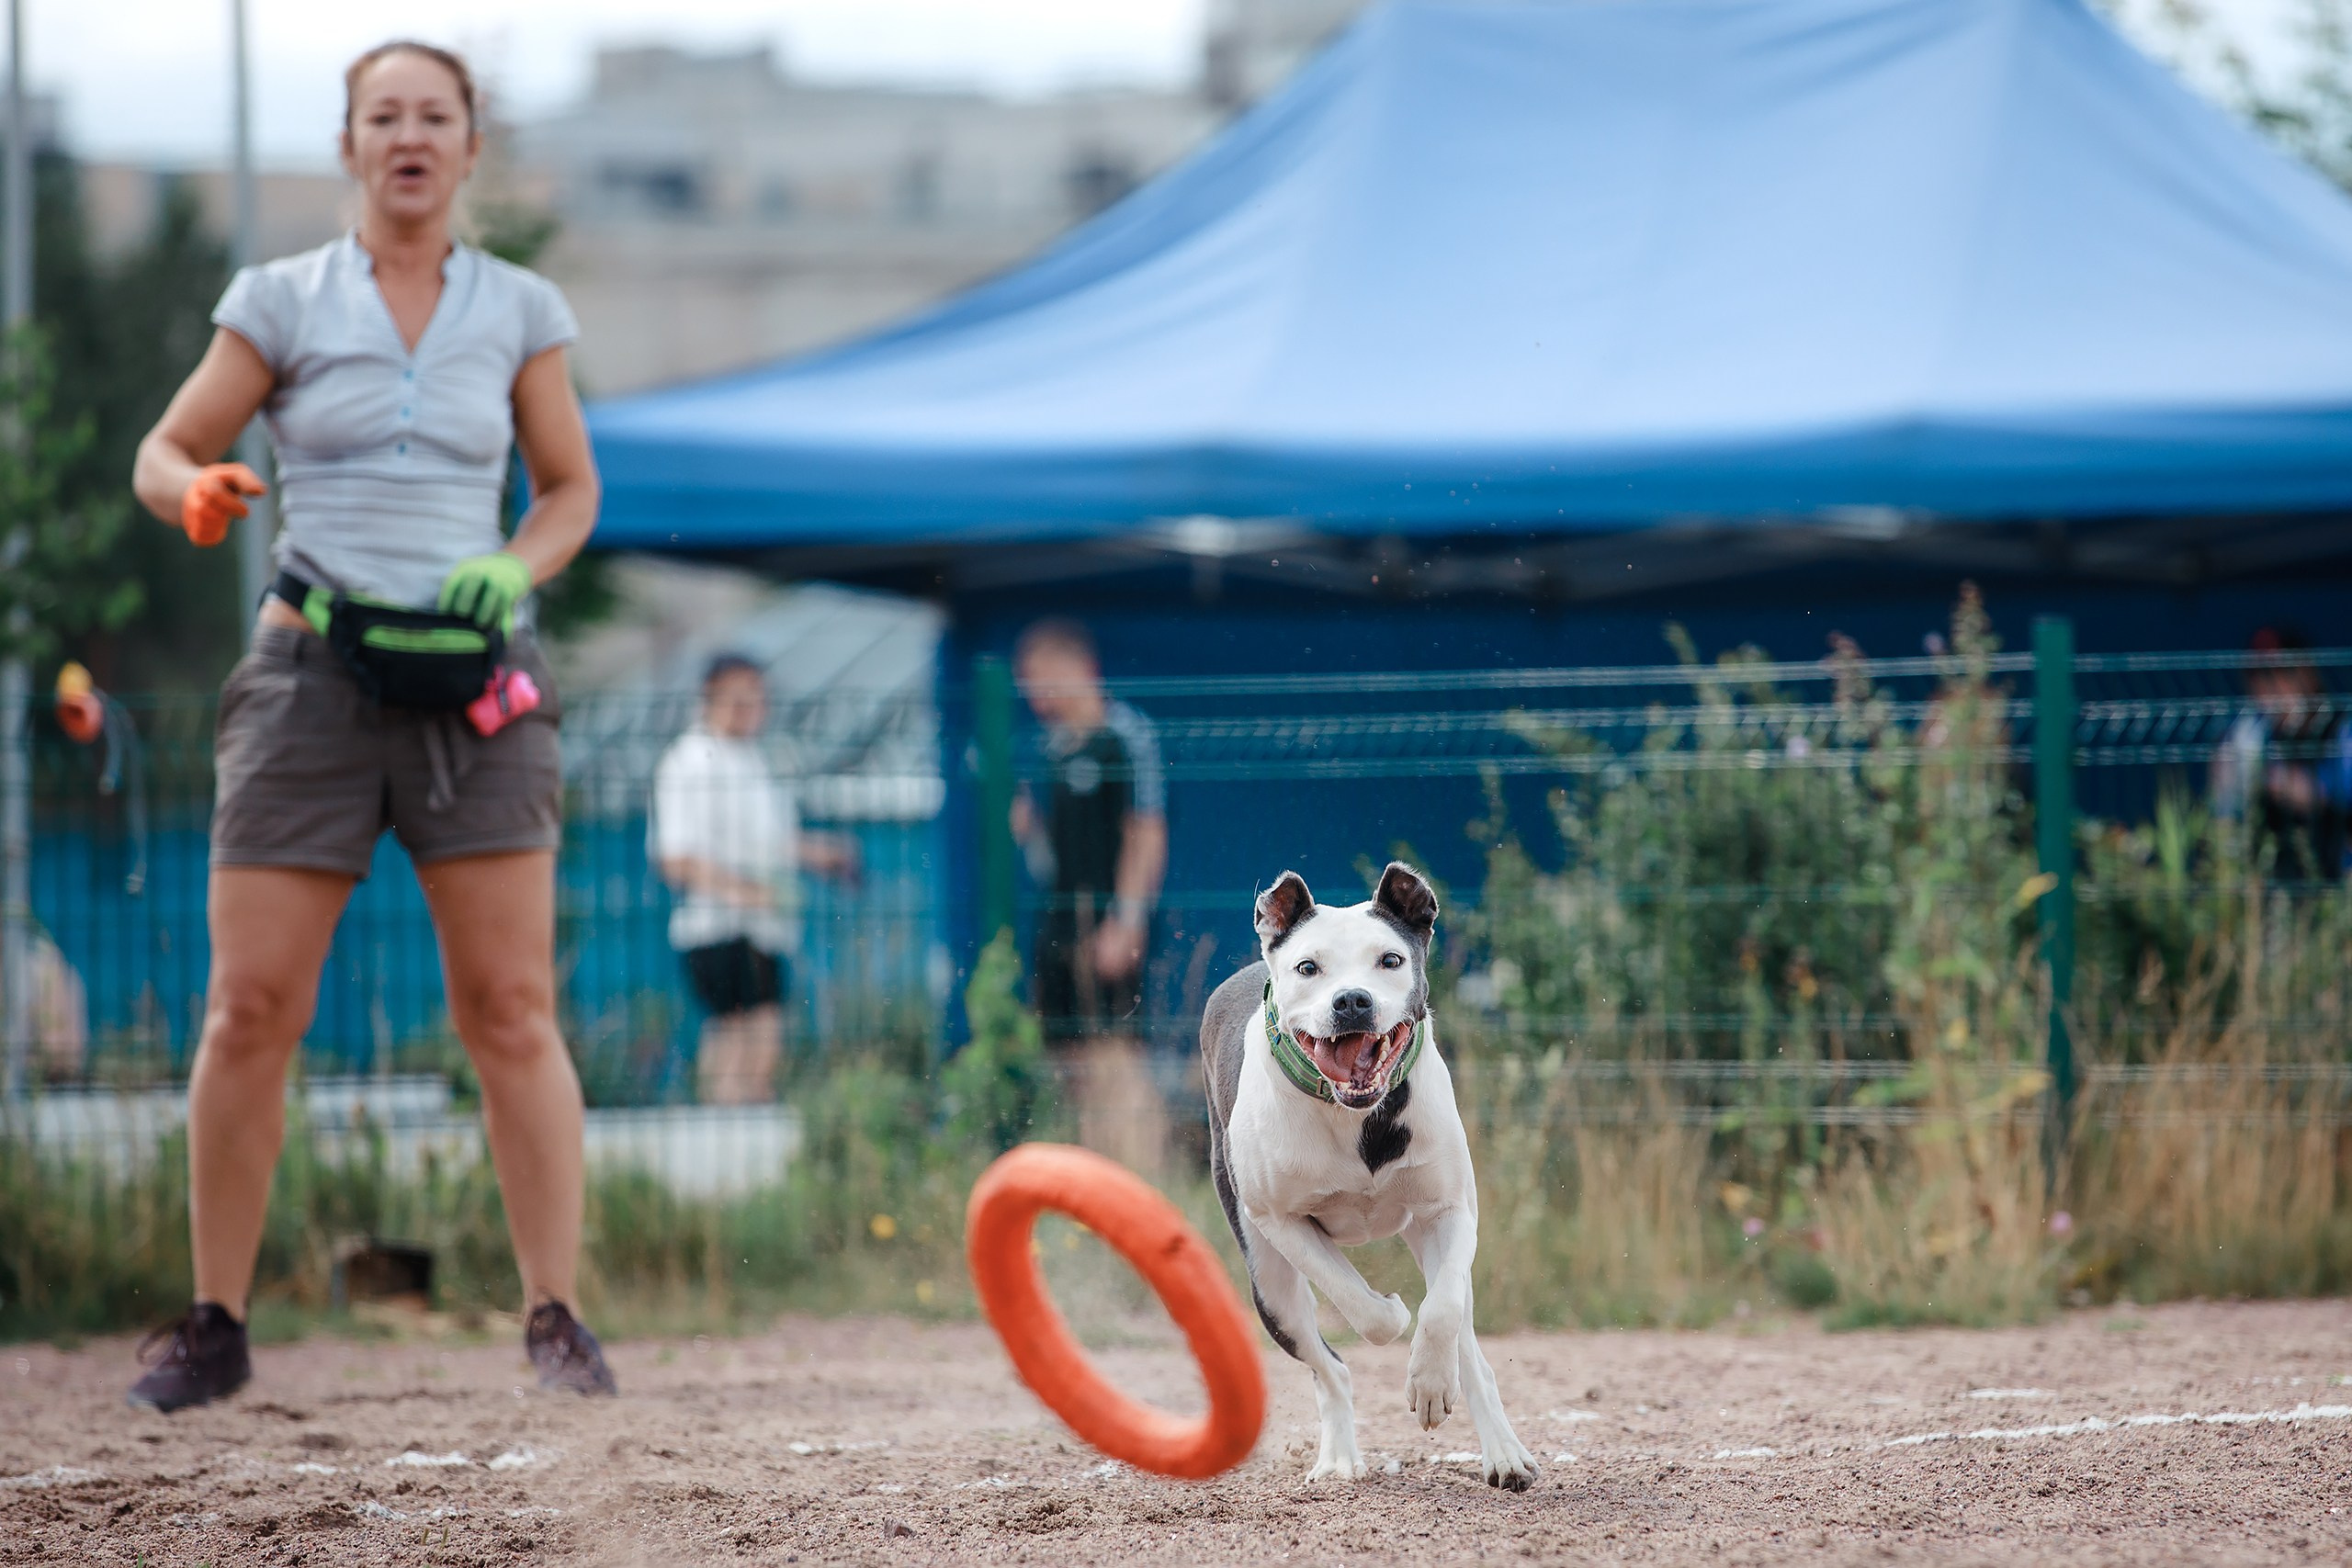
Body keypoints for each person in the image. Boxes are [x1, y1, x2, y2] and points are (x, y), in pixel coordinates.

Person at [125, 40, 610, 1411]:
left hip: (476, 686)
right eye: (382, 115)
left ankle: (556, 1316)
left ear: (469, 146)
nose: (408, 135)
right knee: (249, 1006)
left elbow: (569, 490)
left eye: (433, 116)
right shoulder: (279, 297)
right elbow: (163, 449)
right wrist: (192, 491)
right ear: (348, 145)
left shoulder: (522, 307)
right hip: (310, 675)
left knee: (510, 1006)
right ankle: (216, 1322)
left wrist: (515, 564)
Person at [651, 655, 856, 1103]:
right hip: (718, 926)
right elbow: (676, 858)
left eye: (757, 697)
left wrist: (820, 853)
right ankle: (727, 1133)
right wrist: (747, 892)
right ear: (712, 697)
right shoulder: (689, 762)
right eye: (740, 697)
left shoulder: (751, 759)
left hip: (763, 926)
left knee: (760, 1043)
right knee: (740, 1040)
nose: (753, 707)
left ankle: (736, 1129)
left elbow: (768, 841)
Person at [1009, 619, 1170, 1174]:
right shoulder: (1049, 749)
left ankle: (1145, 1176)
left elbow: (1146, 833)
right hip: (1058, 926)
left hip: (1108, 925)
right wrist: (1029, 831)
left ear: (1077, 668)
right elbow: (1051, 860)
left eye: (1040, 679)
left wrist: (1126, 921)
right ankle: (1098, 1181)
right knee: (1071, 1062)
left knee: (1116, 1055)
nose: (1035, 696)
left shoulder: (1124, 736)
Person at [2211, 626, 2351, 881]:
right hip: (2277, 881)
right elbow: (2224, 812)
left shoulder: (2341, 728)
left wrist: (2311, 791)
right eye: (2259, 676)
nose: (2271, 688)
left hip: (2338, 876)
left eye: (2283, 672)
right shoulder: (2250, 735)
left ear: (2307, 673)